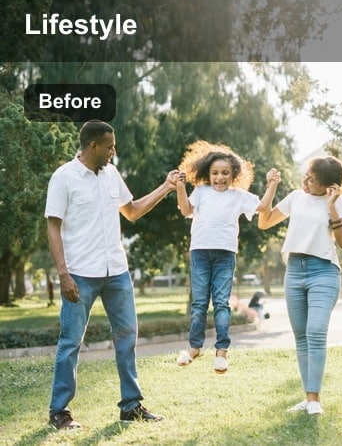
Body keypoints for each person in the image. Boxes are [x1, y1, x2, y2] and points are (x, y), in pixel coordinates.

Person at [44, 120, 172, 429]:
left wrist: (166, 187)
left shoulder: (111, 174)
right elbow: (53, 225)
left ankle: (131, 406)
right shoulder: (64, 177)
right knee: (71, 341)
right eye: (110, 146)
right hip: (80, 273)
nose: (114, 151)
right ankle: (59, 411)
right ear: (93, 146)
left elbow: (132, 211)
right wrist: (63, 274)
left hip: (116, 271)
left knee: (127, 337)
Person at [174, 141, 277, 374]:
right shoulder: (201, 191)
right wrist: (180, 187)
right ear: (207, 174)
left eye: (225, 173)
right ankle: (194, 348)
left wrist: (272, 184)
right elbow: (186, 210)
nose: (220, 178)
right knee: (199, 303)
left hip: (225, 255)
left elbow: (262, 207)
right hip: (200, 252)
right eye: (215, 173)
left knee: (221, 302)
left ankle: (221, 353)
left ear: (234, 175)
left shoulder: (238, 196)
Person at [258, 156, 342, 416]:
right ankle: (309, 398)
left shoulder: (339, 201)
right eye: (306, 176)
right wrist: (272, 186)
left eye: (312, 179)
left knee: (316, 331)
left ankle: (314, 401)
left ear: (329, 186)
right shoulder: (296, 197)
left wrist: (331, 206)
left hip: (324, 271)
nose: (305, 181)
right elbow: (263, 222)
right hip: (295, 271)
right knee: (301, 338)